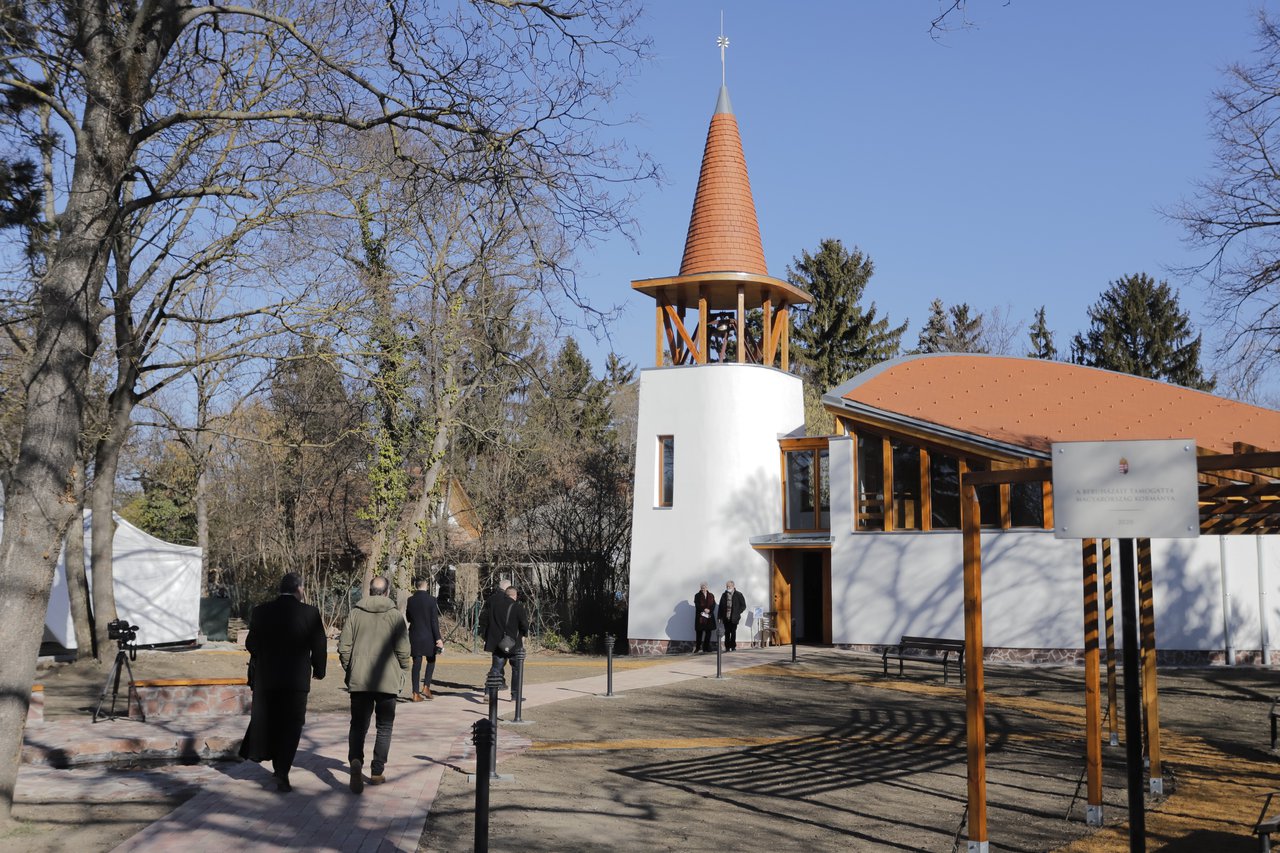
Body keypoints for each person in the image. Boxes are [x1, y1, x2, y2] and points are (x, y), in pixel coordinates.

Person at [239, 571, 327, 793]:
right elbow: (319, 646)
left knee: (271, 722)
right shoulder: (310, 613)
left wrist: (266, 656)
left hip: (267, 679)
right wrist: (319, 669)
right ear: (299, 589)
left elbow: (251, 643)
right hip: (296, 681)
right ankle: (282, 770)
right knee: (292, 725)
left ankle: (276, 765)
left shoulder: (261, 612)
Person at [339, 575, 411, 794]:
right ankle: (377, 770)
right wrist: (403, 669)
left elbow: (344, 648)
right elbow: (404, 650)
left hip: (360, 680)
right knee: (384, 726)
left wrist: (350, 669)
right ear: (387, 592)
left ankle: (355, 760)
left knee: (358, 724)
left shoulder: (355, 614)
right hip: (387, 681)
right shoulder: (395, 616)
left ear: (369, 591)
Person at [484, 582, 529, 695]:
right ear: (515, 595)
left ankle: (488, 693)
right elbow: (524, 624)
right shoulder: (518, 606)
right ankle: (515, 695)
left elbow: (486, 621)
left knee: (495, 669)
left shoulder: (495, 605)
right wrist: (524, 635)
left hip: (498, 643)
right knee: (516, 669)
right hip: (514, 643)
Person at [405, 577, 443, 701]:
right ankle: (426, 686)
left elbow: (408, 617)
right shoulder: (431, 600)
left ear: (416, 586)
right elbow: (434, 621)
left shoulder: (410, 600)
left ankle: (415, 692)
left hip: (415, 635)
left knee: (416, 663)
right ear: (426, 585)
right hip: (429, 635)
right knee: (431, 660)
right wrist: (438, 638)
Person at [718, 580, 747, 651]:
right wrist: (719, 616)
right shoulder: (724, 595)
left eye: (729, 586)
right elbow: (720, 606)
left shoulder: (739, 594)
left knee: (733, 632)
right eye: (727, 586)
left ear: (733, 586)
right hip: (726, 617)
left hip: (734, 617)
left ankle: (733, 646)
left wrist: (738, 612)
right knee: (727, 632)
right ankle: (727, 647)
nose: (728, 587)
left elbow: (743, 606)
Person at [693, 582, 716, 653]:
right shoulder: (697, 595)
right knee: (699, 633)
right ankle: (697, 648)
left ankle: (706, 647)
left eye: (704, 587)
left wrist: (709, 610)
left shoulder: (711, 595)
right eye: (702, 587)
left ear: (707, 588)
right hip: (700, 617)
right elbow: (697, 605)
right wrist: (704, 609)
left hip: (709, 617)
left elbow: (713, 604)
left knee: (708, 633)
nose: (703, 589)